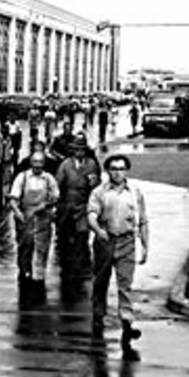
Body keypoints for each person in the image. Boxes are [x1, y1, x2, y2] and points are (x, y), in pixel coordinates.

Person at [88, 154, 149, 361]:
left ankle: (127, 322)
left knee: (125, 284)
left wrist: (145, 245)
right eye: (113, 168)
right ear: (107, 171)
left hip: (127, 242)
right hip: (105, 240)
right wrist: (98, 230)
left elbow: (143, 220)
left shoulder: (135, 192)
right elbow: (91, 215)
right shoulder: (99, 192)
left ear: (127, 171)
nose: (117, 172)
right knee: (101, 281)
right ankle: (98, 315)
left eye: (121, 168)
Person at [55, 133, 101, 303]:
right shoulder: (65, 165)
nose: (80, 153)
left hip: (83, 205)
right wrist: (56, 204)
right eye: (77, 150)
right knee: (66, 238)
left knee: (82, 236)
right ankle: (67, 266)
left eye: (82, 150)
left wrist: (93, 184)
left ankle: (79, 268)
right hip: (67, 205)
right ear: (73, 151)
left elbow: (97, 186)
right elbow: (57, 185)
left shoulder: (91, 165)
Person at [9, 151, 59, 301]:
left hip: (43, 217)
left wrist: (46, 205)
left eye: (40, 162)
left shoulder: (49, 178)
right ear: (31, 163)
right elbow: (13, 198)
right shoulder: (22, 177)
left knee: (42, 246)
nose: (37, 166)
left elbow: (55, 196)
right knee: (25, 245)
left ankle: (39, 274)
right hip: (25, 216)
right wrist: (18, 212)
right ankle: (25, 270)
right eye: (35, 162)